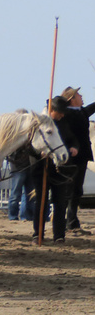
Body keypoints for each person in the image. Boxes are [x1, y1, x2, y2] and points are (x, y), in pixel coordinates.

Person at [30, 95, 84, 243]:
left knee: (60, 203)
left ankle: (59, 236)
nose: (61, 115)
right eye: (59, 112)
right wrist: (38, 153)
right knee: (41, 202)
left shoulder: (64, 123)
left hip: (60, 170)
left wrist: (74, 147)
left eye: (63, 112)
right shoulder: (40, 123)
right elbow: (29, 147)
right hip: (41, 169)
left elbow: (73, 139)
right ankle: (38, 234)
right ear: (51, 110)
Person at [57, 87, 93, 231]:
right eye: (78, 94)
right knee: (68, 189)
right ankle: (64, 220)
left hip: (82, 156)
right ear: (72, 98)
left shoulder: (81, 112)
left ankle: (72, 221)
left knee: (77, 189)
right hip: (70, 157)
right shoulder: (65, 113)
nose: (82, 96)